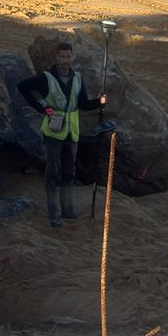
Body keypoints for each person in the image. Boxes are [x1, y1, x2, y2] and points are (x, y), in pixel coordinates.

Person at [17, 41, 106, 227]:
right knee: (52, 173)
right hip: (53, 133)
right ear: (56, 58)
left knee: (68, 172)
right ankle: (53, 214)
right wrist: (42, 108)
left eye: (68, 56)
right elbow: (23, 87)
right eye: (62, 56)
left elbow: (82, 104)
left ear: (72, 57)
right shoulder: (46, 78)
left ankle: (68, 211)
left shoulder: (77, 78)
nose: (65, 60)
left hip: (71, 133)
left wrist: (99, 102)